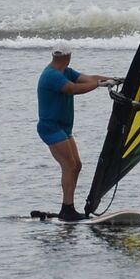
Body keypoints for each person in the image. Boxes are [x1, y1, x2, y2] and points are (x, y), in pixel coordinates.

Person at [37, 42, 120, 221]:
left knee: (77, 165)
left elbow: (89, 78)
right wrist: (99, 84)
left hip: (63, 128)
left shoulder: (66, 71)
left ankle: (67, 208)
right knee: (69, 166)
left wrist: (114, 79)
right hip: (51, 128)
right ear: (68, 56)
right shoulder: (51, 75)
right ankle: (67, 210)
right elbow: (73, 89)